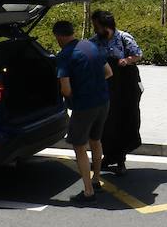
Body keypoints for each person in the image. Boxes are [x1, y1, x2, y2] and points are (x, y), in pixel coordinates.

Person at [53, 20, 113, 204]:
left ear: (59, 36)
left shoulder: (65, 56)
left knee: (79, 146)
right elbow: (109, 72)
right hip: (103, 101)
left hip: (84, 106)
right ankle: (96, 180)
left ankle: (88, 192)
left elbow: (66, 90)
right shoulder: (91, 45)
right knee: (96, 141)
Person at [89, 9, 143, 174]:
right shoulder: (94, 41)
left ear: (107, 26)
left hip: (124, 88)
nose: (95, 30)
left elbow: (137, 54)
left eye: (97, 26)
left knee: (124, 122)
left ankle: (120, 160)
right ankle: (107, 156)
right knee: (105, 123)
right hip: (105, 87)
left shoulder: (123, 38)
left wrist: (126, 61)